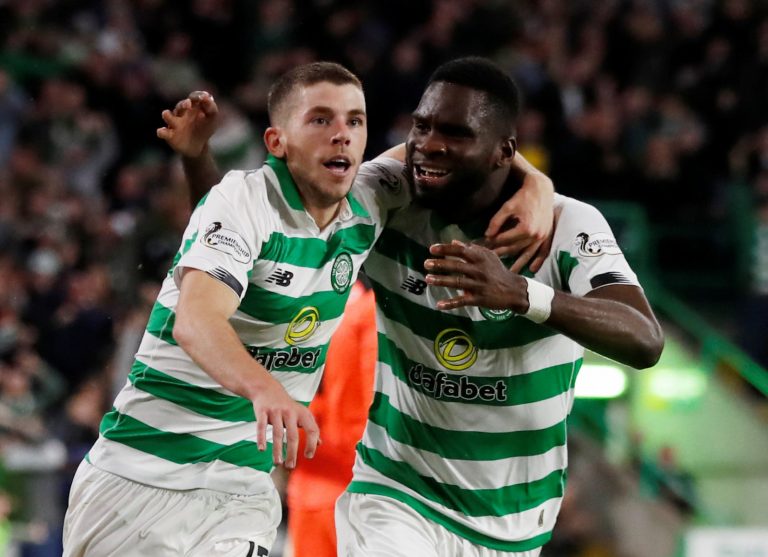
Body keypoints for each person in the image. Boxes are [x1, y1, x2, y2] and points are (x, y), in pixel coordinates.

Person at [165, 56, 663, 557]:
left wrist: (521, 294)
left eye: (454, 133)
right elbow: (250, 231)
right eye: (420, 127)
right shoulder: (385, 205)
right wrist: (196, 159)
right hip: (395, 493)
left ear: (502, 152)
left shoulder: (564, 226)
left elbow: (644, 339)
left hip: (513, 521)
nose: (428, 146)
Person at [63, 60, 553, 557]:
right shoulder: (243, 200)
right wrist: (265, 389)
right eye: (321, 120)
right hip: (142, 484)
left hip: (241, 493)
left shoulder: (371, 198)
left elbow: (447, 149)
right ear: (277, 142)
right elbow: (195, 321)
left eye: (354, 121)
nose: (342, 135)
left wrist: (537, 184)